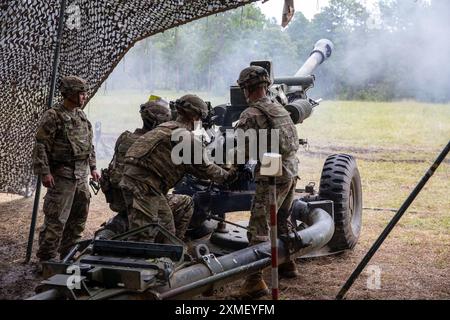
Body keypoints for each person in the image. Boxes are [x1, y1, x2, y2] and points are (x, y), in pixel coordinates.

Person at [119, 94, 235, 242]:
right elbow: (205, 168)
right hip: (145, 186)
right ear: (194, 117)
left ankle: (170, 254)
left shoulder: (166, 127)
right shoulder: (186, 136)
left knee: (165, 230)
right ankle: (142, 261)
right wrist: (229, 176)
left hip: (138, 182)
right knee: (145, 235)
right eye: (200, 118)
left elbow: (192, 167)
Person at [234, 65, 300, 298]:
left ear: (245, 88)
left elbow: (241, 153)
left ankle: (254, 281)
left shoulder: (250, 115)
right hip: (291, 169)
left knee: (259, 226)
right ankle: (288, 263)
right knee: (282, 218)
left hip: (273, 173)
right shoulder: (278, 108)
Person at [97, 96, 194, 241]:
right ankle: (173, 243)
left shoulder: (125, 137)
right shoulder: (154, 145)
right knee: (186, 202)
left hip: (119, 199)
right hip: (141, 199)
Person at [32, 75, 100, 264]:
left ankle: (68, 256)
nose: (84, 96)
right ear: (69, 93)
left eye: (84, 93)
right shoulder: (53, 116)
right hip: (62, 176)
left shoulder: (81, 115)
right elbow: (41, 145)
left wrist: (93, 167)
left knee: (78, 219)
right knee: (56, 222)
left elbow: (89, 145)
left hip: (81, 176)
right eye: (81, 93)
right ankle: (46, 261)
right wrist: (45, 172)